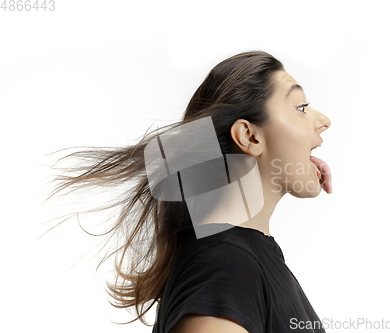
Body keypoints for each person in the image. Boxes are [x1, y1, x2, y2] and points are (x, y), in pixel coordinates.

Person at [45, 50, 331, 332]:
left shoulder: (241, 259)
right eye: (301, 108)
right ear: (249, 136)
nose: (324, 121)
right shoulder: (226, 268)